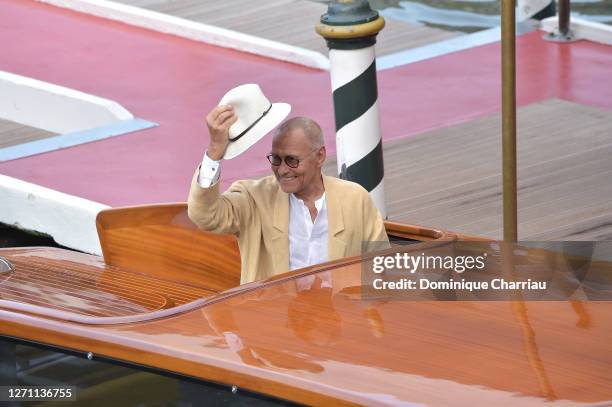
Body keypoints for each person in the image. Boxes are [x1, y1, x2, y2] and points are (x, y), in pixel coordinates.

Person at [188, 104, 389, 284]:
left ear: (320, 156)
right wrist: (214, 151)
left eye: (292, 160)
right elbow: (205, 215)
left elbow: (381, 269)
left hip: (340, 319)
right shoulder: (253, 198)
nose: (282, 170)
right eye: (276, 159)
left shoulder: (355, 199)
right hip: (274, 320)